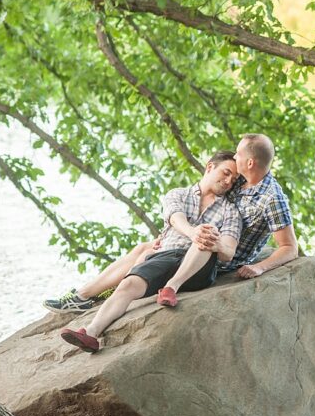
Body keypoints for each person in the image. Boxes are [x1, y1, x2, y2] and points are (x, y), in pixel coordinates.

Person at [44, 133, 299, 311]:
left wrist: (260, 268)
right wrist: (176, 234)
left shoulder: (272, 199)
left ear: (251, 162)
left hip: (220, 259)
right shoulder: (241, 179)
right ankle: (83, 296)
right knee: (146, 248)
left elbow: (290, 248)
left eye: (239, 153)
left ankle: (93, 295)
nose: (234, 155)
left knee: (149, 254)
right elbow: (205, 197)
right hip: (200, 242)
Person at [60, 150, 242, 352]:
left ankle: (171, 287)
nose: (228, 182)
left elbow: (229, 250)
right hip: (165, 256)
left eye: (233, 180)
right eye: (226, 173)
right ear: (210, 167)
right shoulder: (178, 194)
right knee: (128, 284)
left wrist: (211, 241)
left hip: (199, 268)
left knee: (207, 235)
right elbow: (175, 218)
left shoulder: (231, 211)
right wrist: (192, 232)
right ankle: (90, 333)